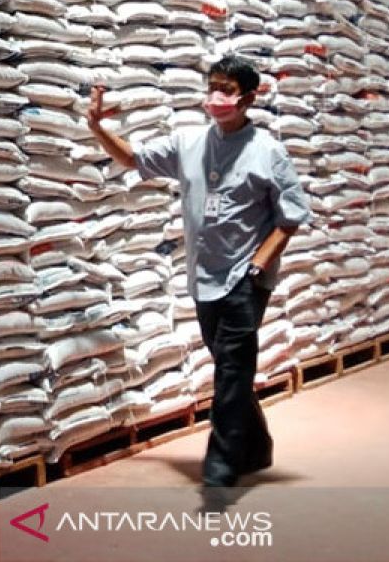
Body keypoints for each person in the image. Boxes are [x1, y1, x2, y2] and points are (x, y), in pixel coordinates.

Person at [86, 54, 312, 489]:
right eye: (213, 86)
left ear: (247, 98)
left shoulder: (268, 152)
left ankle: (221, 463)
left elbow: (291, 217)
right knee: (229, 363)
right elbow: (134, 160)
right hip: (203, 277)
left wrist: (258, 263)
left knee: (231, 367)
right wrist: (98, 127)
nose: (216, 96)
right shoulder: (189, 142)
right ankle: (258, 444)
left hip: (246, 278)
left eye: (226, 89)